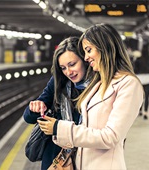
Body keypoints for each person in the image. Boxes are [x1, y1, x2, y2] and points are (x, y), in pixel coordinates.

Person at [38, 23, 144, 170]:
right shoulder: (99, 83)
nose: (86, 58)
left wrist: (59, 127)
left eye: (88, 50)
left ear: (104, 47)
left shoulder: (128, 84)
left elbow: (110, 137)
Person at [23, 36, 88, 170]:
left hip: (87, 156)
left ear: (84, 60)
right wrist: (36, 106)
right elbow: (28, 117)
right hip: (57, 159)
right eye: (63, 68)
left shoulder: (99, 86)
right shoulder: (59, 82)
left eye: (72, 64)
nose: (68, 72)